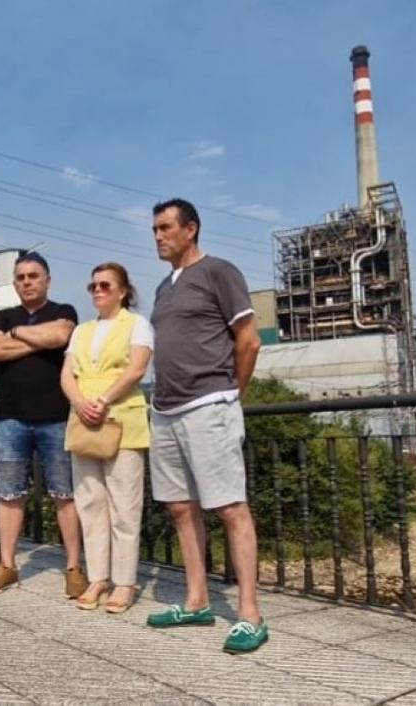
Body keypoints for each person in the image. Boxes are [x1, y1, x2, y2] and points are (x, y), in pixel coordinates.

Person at [144, 198, 267, 654]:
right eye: (154, 229)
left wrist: (233, 393)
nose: (158, 236)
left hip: (209, 404)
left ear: (190, 229)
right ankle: (197, 601)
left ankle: (250, 614)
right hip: (167, 408)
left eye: (165, 228)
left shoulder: (219, 271)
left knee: (230, 507)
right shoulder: (163, 288)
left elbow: (249, 341)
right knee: (180, 506)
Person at [0, 252, 84, 597]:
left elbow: (61, 337)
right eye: (21, 277)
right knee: (9, 494)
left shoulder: (64, 311)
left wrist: (19, 334)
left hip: (55, 417)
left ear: (47, 279)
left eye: (33, 276)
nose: (27, 282)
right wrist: (37, 339)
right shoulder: (2, 314)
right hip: (10, 418)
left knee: (65, 493)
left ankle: (73, 568)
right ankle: (7, 566)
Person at [59, 263, 152, 613]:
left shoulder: (137, 324)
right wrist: (81, 402)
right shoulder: (82, 330)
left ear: (122, 290)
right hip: (84, 420)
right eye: (93, 285)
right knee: (90, 502)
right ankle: (98, 577)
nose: (98, 290)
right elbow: (67, 375)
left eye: (105, 285)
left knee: (124, 506)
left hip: (122, 419)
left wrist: (104, 399)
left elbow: (137, 368)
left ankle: (125, 581)